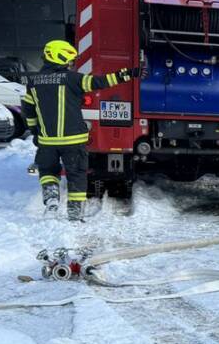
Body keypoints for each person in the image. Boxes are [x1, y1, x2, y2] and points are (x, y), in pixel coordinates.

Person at [21, 40, 140, 221]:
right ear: (60, 58)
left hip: (47, 142)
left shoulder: (33, 82)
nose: (71, 64)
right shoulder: (73, 79)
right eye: (69, 60)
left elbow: (29, 110)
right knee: (76, 175)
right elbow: (100, 82)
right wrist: (129, 74)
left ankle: (51, 198)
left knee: (48, 171)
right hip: (74, 141)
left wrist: (35, 131)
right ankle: (75, 214)